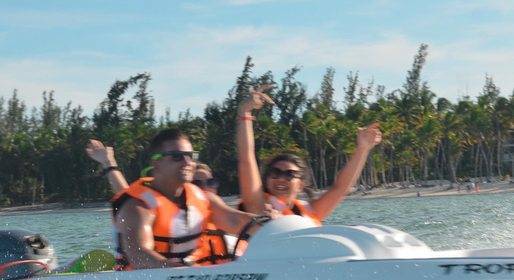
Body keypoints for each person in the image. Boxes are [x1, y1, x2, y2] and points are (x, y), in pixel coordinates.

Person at [90, 129, 271, 269]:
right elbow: (139, 256)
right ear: (156, 164)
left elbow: (235, 220)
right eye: (177, 157)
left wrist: (275, 225)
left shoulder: (203, 198)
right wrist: (183, 273)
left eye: (190, 156)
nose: (187, 163)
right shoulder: (137, 207)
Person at [237, 85, 382, 224]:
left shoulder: (310, 211)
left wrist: (362, 148)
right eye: (275, 173)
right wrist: (245, 112)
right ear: (267, 179)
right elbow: (246, 159)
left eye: (289, 175)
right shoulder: (257, 205)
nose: (281, 178)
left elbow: (341, 188)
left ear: (300, 185)